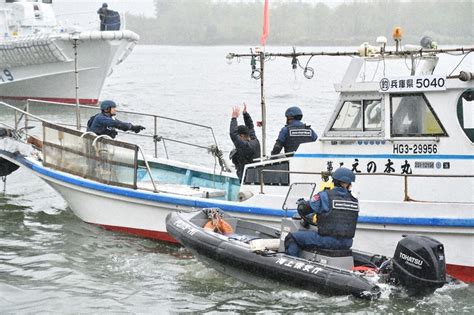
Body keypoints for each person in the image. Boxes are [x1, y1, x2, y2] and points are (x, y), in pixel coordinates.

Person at [285, 167, 359, 257]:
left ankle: (291, 264)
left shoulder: (325, 196)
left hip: (327, 241)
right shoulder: (354, 200)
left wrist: (301, 204)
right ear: (349, 184)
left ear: (334, 181)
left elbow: (304, 209)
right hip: (347, 243)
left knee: (292, 237)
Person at [229, 103, 261, 182]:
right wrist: (245, 114)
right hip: (256, 177)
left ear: (242, 136)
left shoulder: (245, 146)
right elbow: (250, 127)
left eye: (239, 135)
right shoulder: (254, 140)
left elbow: (233, 134)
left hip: (247, 180)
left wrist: (234, 118)